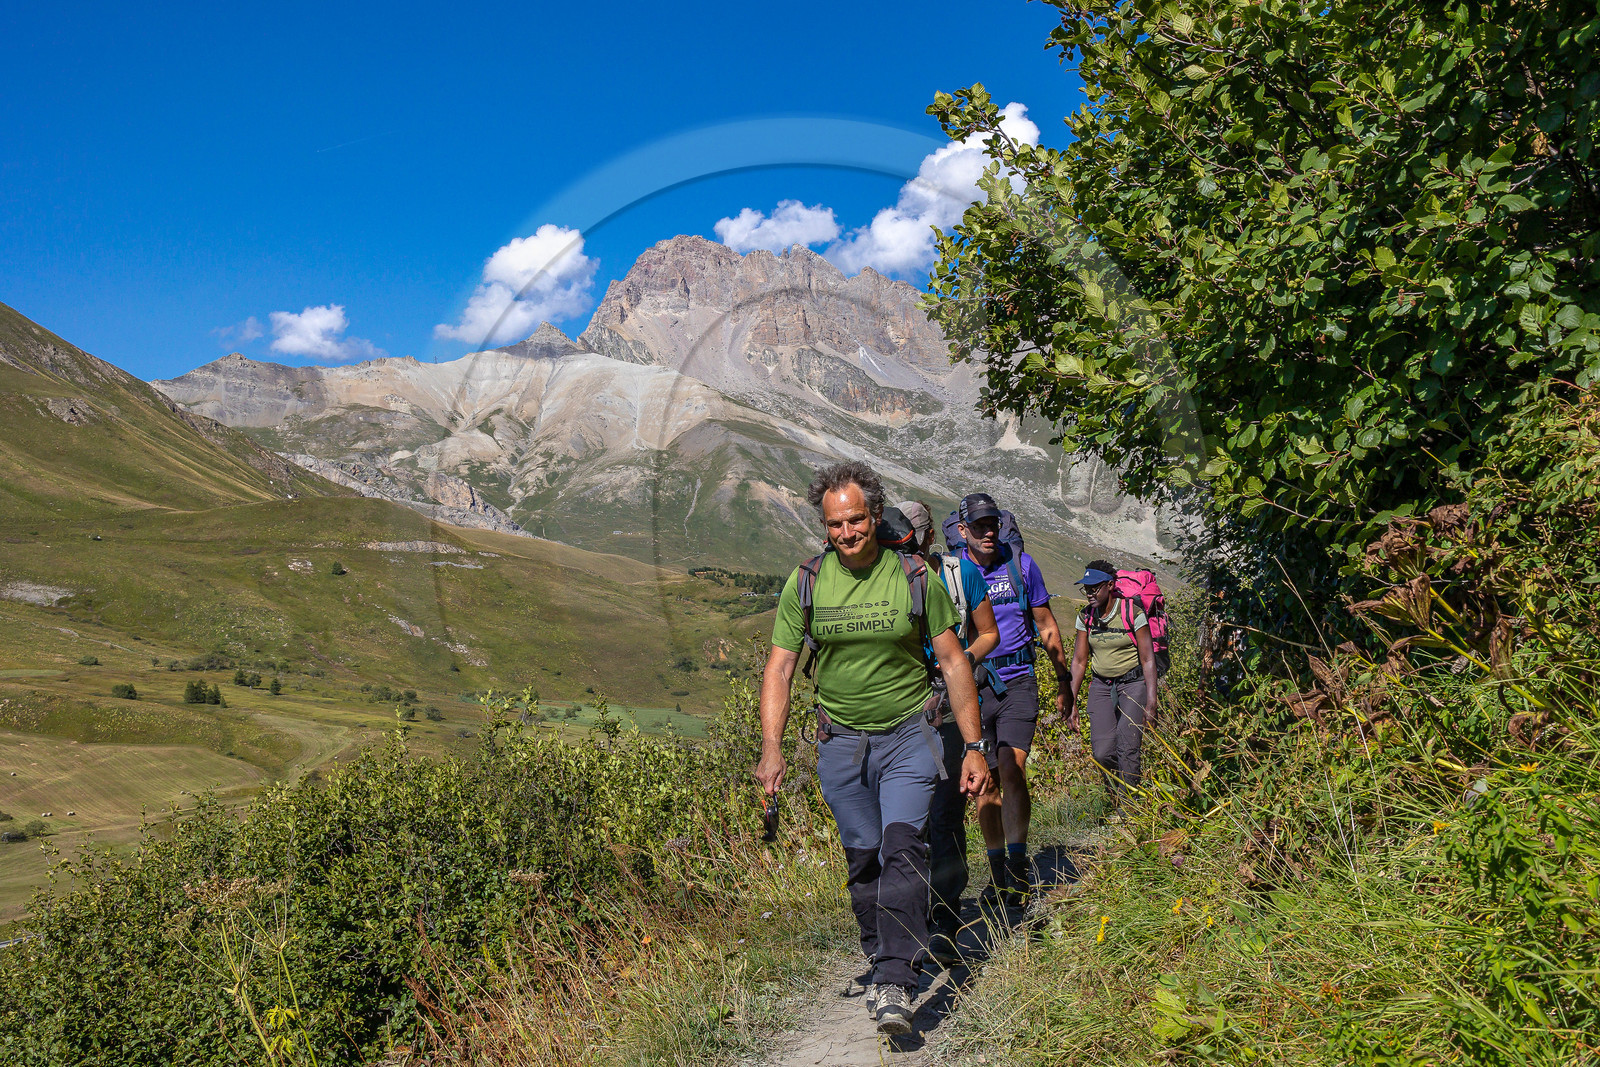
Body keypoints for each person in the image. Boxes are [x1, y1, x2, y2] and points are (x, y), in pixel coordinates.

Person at [756, 463, 992, 1036]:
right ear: (824, 523)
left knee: (905, 848)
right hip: (840, 743)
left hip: (910, 734)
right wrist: (771, 747)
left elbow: (956, 660)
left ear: (875, 515)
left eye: (856, 519)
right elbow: (781, 668)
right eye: (835, 523)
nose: (847, 532)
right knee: (863, 860)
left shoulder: (914, 576)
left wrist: (974, 747)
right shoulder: (806, 582)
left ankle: (895, 980)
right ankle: (880, 948)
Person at [895, 500, 1000, 963]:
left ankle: (945, 920)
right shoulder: (887, 579)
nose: (908, 545)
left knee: (944, 812)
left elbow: (988, 632)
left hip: (949, 707)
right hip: (900, 706)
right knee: (904, 818)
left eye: (915, 536)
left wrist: (959, 666)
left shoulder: (962, 574)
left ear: (929, 535)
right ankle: (908, 918)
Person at [953, 492, 1070, 908]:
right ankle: (998, 872)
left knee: (1012, 768)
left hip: (1020, 680)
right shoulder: (953, 572)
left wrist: (1064, 680)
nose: (989, 532)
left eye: (993, 524)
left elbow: (1046, 625)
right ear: (963, 530)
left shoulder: (1021, 565)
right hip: (973, 688)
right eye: (980, 526)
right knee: (983, 779)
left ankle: (1018, 872)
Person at [1065, 559, 1160, 815]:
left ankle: (1129, 812)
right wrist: (1071, 701)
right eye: (1086, 588)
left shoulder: (1132, 612)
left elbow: (1148, 658)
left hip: (1134, 683)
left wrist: (1151, 701)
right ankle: (1118, 799)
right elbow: (1079, 661)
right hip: (1101, 686)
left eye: (1095, 587)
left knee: (1128, 746)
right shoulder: (1085, 617)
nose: (1090, 593)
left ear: (1110, 585)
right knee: (1103, 751)